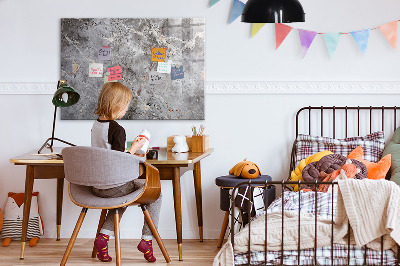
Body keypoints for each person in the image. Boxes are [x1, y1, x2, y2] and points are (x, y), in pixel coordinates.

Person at [91, 82, 162, 263]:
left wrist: (132, 150)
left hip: (97, 186)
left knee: (121, 198)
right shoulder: (117, 129)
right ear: (116, 105)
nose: (126, 109)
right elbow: (119, 161)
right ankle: (147, 240)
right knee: (156, 194)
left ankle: (104, 238)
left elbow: (108, 154)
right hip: (114, 186)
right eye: (125, 106)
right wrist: (136, 148)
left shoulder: (96, 125)